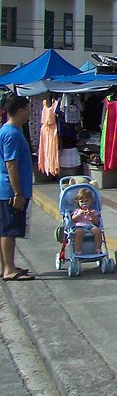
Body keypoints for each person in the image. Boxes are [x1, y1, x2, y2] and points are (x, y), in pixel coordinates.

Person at [1, 95, 35, 281]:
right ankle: (9, 269)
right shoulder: (12, 133)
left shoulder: (9, 131)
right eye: (28, 109)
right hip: (10, 190)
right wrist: (18, 193)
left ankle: (7, 265)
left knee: (6, 229)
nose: (29, 113)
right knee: (9, 230)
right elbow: (11, 164)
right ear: (20, 111)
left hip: (7, 189)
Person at [70, 189, 103, 256]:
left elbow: (96, 222)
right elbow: (73, 220)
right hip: (79, 226)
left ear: (91, 202)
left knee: (98, 231)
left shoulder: (93, 211)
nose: (84, 203)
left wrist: (91, 216)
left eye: (86, 201)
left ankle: (98, 249)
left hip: (90, 226)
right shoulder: (77, 211)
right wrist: (79, 214)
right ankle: (78, 251)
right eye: (81, 201)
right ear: (78, 202)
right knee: (79, 232)